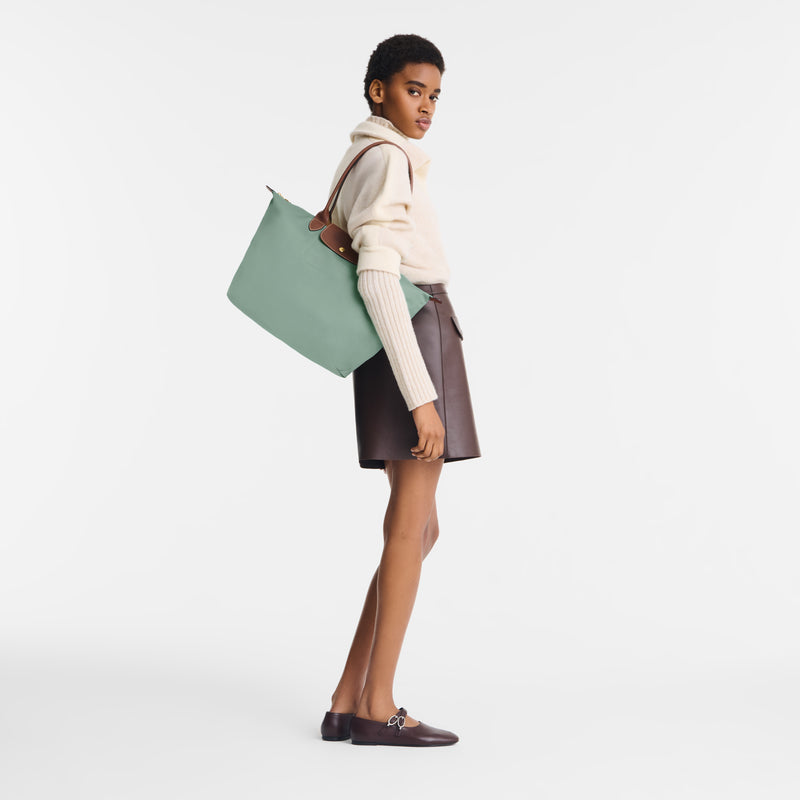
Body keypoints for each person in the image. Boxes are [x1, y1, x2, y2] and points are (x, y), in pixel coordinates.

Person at [319, 34, 481, 747]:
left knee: (417, 530)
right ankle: (376, 706)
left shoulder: (366, 152)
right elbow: (379, 277)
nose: (428, 106)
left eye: (436, 95)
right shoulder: (388, 159)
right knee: (410, 527)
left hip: (402, 341)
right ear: (379, 89)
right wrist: (423, 398)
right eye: (415, 90)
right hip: (413, 338)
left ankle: (347, 695)